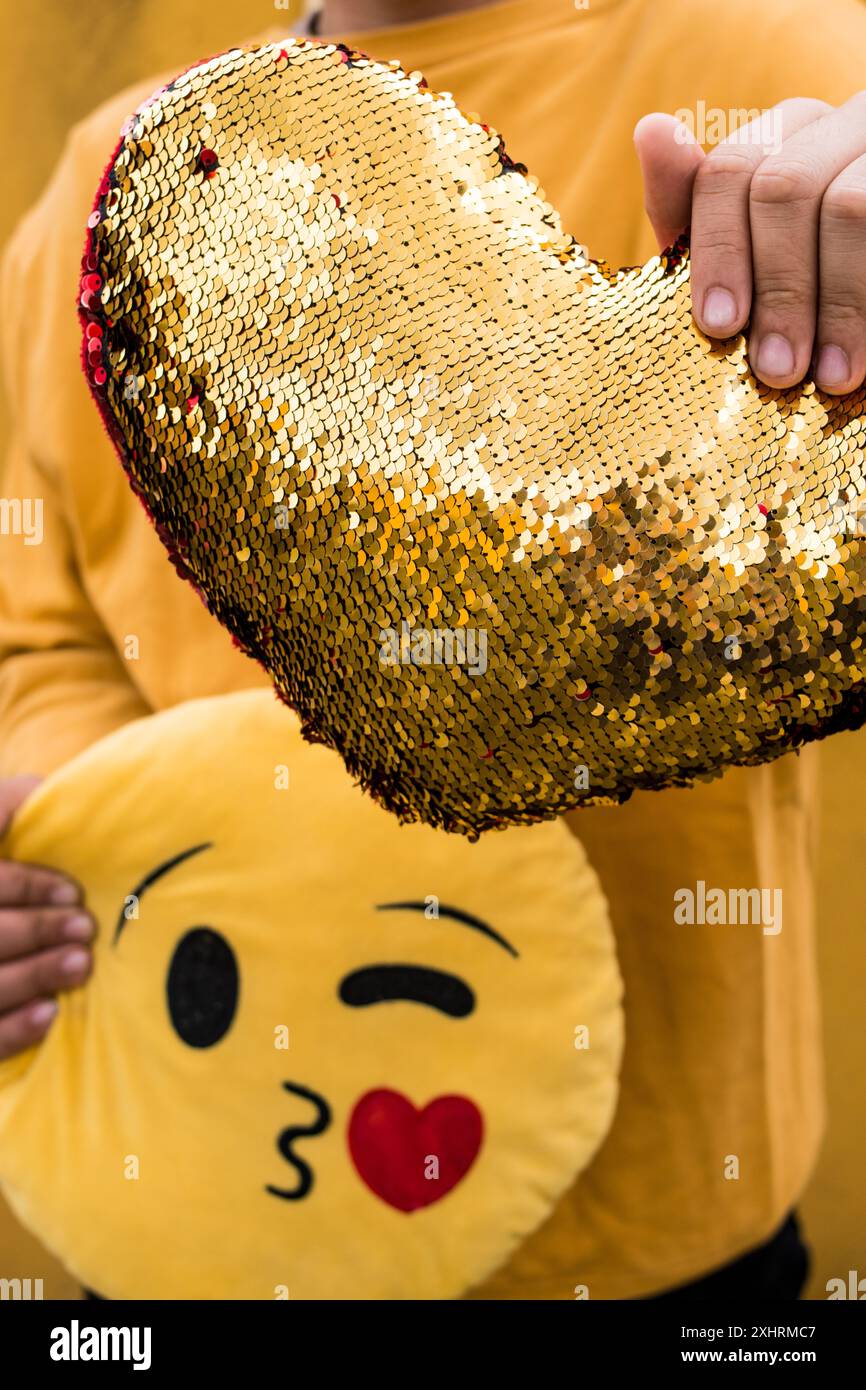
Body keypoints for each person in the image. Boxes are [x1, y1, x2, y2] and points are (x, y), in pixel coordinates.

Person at [1, 0, 865, 1299]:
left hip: (669, 1254)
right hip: (207, 1221)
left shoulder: (802, 82)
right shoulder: (127, 181)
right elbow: (43, 624)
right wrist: (56, 833)